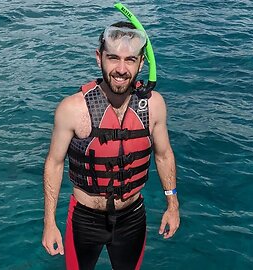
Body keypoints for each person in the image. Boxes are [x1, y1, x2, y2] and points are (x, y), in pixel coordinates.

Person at [42, 21, 180, 270]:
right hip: (85, 219)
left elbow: (164, 155)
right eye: (113, 58)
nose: (120, 69)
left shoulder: (153, 106)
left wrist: (173, 205)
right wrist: (49, 223)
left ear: (141, 63)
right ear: (99, 58)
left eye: (129, 60)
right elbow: (54, 162)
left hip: (132, 217)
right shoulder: (73, 109)